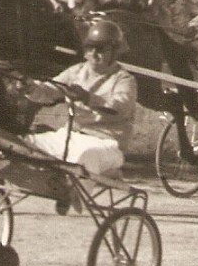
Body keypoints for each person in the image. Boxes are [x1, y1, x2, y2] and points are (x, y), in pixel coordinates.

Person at [22, 20, 137, 211]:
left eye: (101, 49)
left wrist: (89, 97)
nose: (94, 54)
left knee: (84, 156)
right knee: (22, 143)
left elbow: (120, 106)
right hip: (71, 135)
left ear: (114, 52)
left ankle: (70, 196)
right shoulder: (76, 71)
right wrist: (29, 87)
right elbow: (49, 90)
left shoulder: (124, 79)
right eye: (90, 48)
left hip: (107, 144)